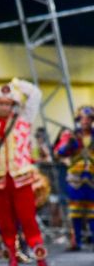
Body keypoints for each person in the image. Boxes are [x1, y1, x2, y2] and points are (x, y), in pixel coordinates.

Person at [0, 79, 60, 266]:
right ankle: (12, 262)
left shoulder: (24, 119)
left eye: (8, 103)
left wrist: (17, 84)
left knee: (29, 222)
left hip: (21, 180)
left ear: (14, 105)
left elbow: (36, 94)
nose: (4, 107)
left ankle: (42, 264)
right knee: (5, 224)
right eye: (1, 103)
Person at [54, 105, 94, 251]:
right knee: (75, 211)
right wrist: (69, 144)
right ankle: (75, 241)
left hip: (91, 179)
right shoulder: (71, 136)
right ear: (78, 119)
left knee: (92, 212)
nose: (85, 121)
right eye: (83, 118)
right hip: (75, 179)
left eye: (89, 118)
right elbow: (59, 153)